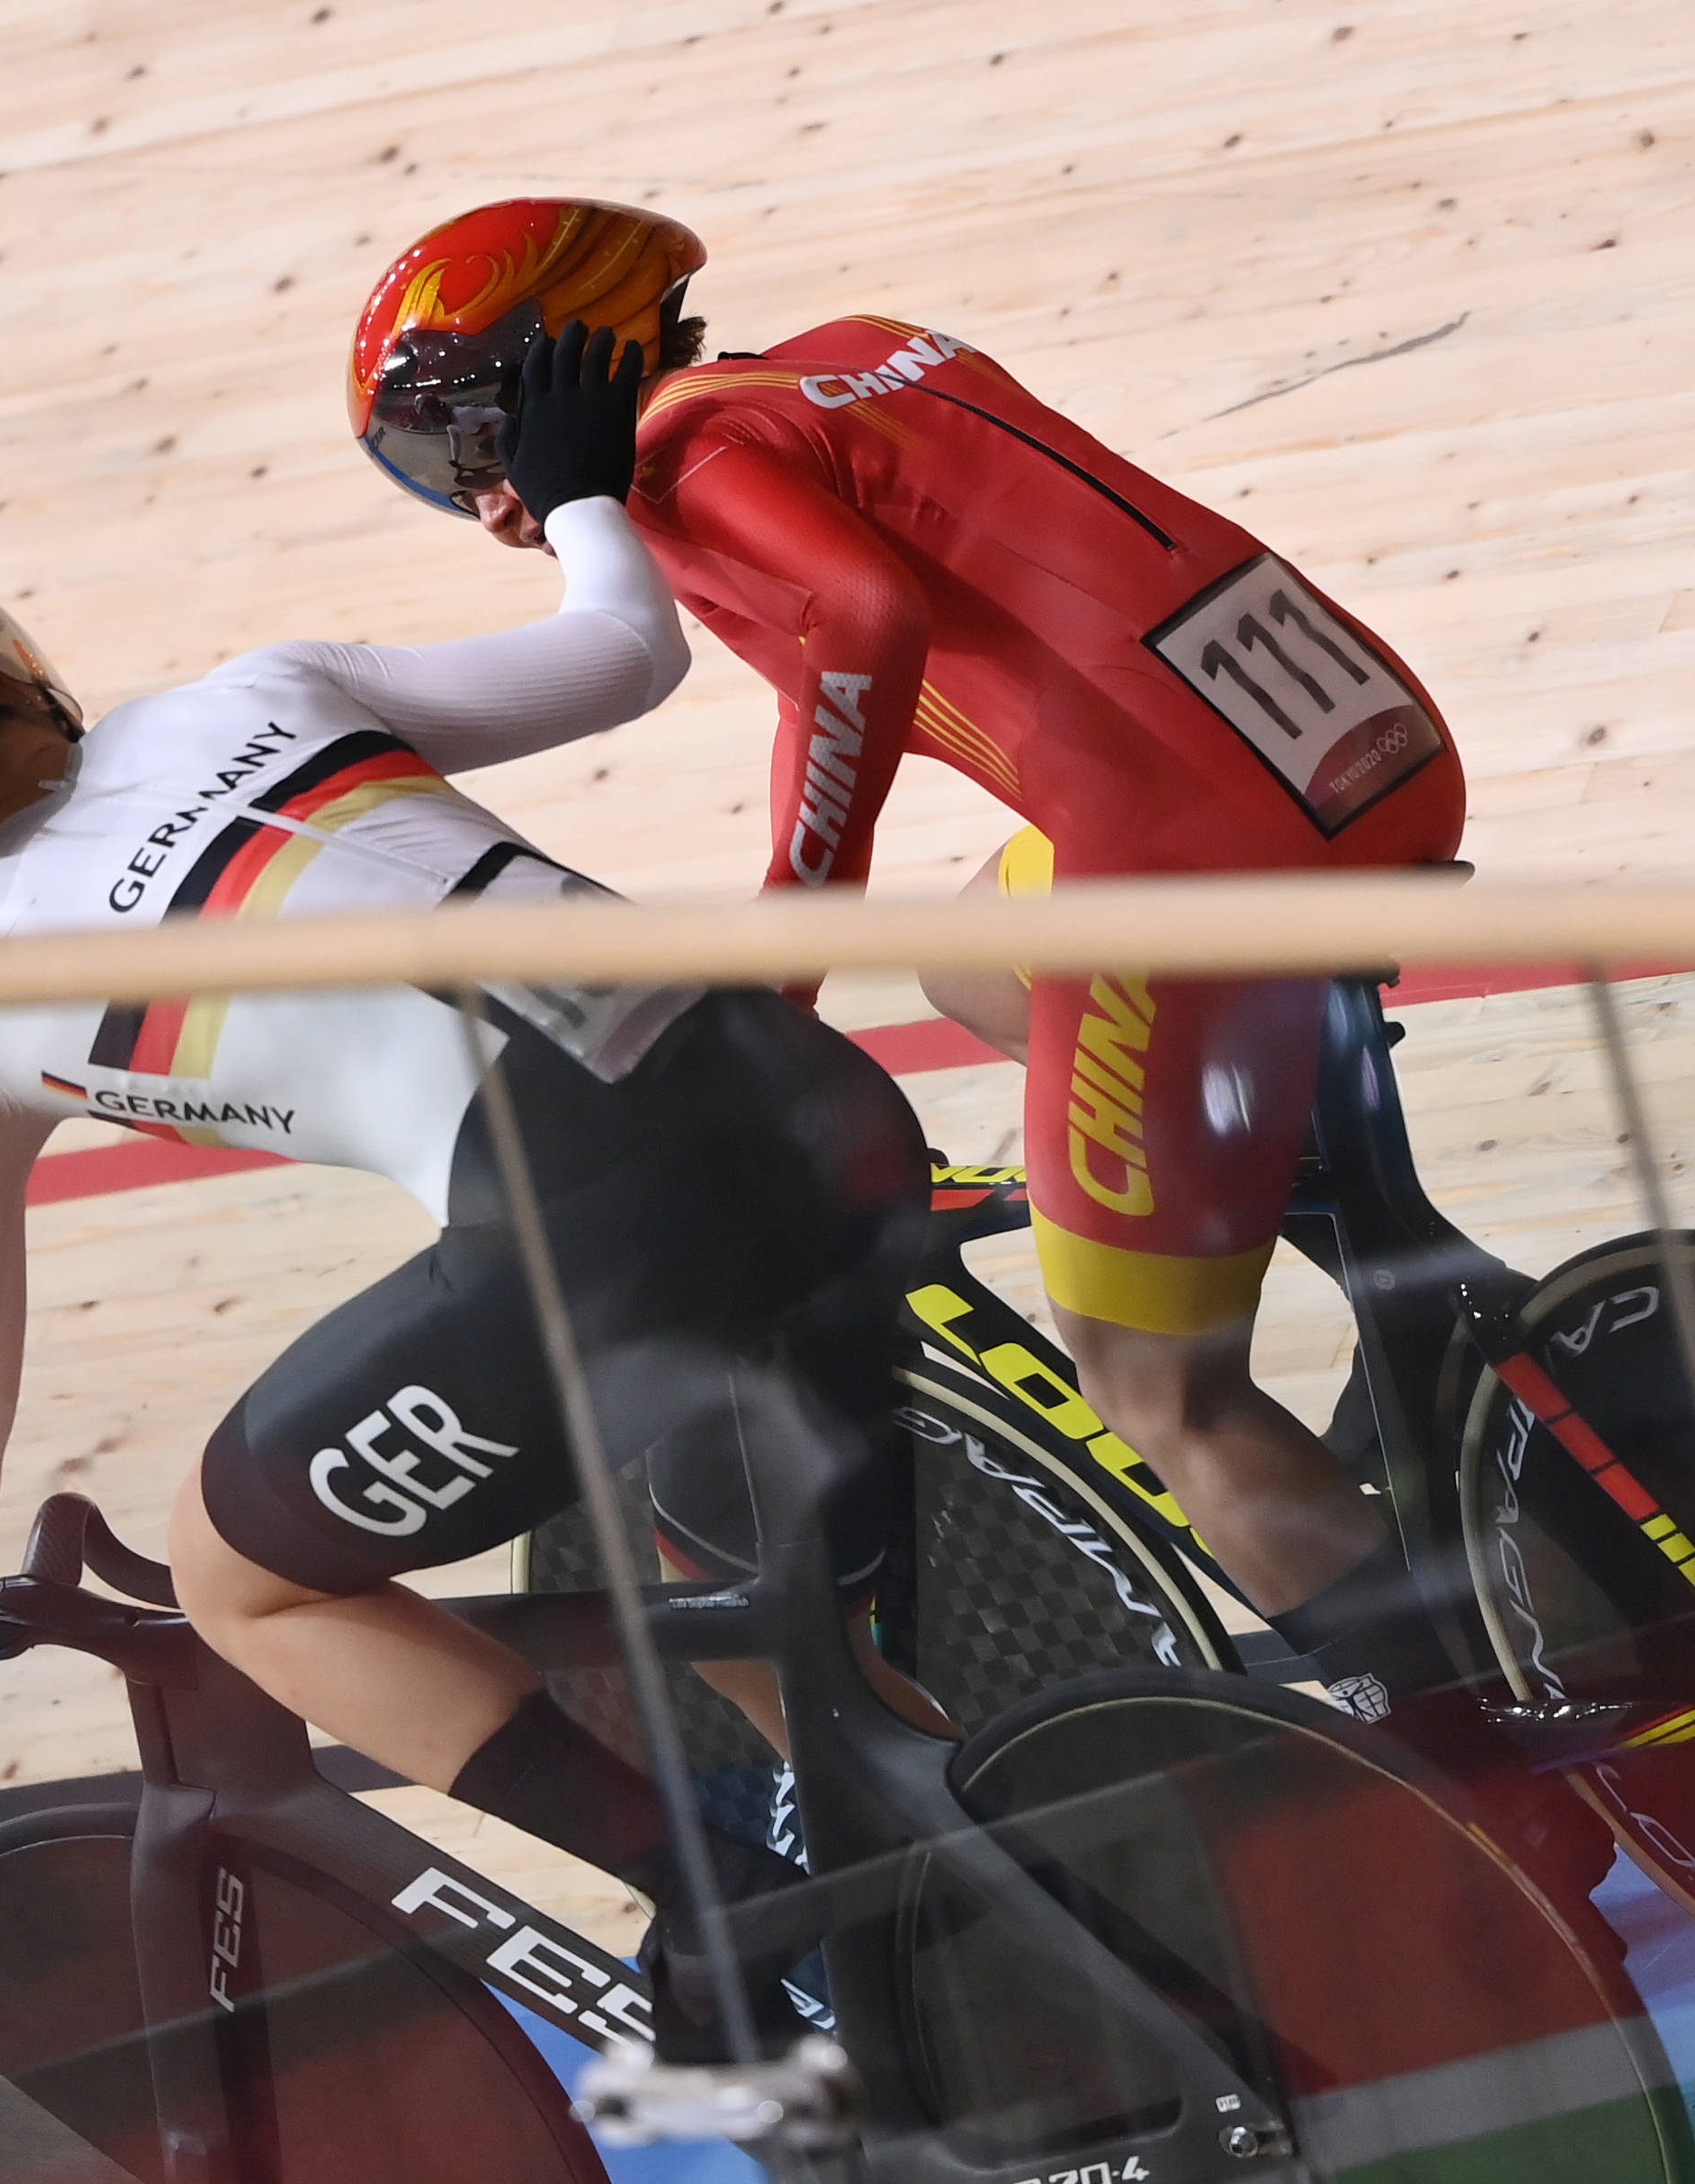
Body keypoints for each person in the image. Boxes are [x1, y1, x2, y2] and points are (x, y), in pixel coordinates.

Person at [0, 327, 925, 2055]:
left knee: (241, 1575)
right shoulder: (262, 692)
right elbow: (626, 647)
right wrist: (580, 485)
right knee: (747, 1578)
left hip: (591, 1224)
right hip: (809, 1100)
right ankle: (987, 1850)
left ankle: (720, 1902)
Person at [349, 199, 1477, 1726]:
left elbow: (859, 619)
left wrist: (796, 934)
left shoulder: (688, 464)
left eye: (484, 444)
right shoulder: (858, 354)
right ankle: (1411, 1305)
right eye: (441, 478)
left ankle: (1497, 1756)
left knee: (1161, 1394)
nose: (488, 507)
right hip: (1367, 754)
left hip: (1195, 869)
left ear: (573, 374)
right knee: (972, 972)